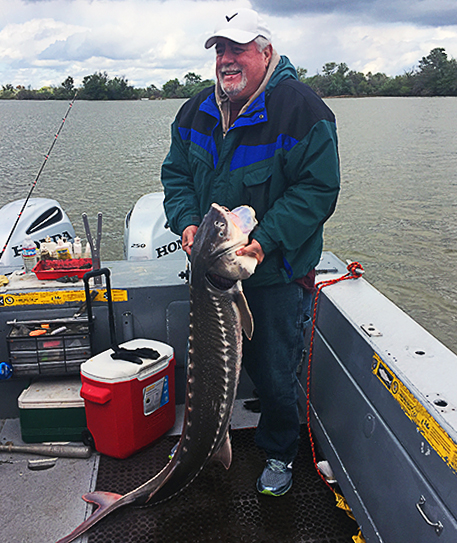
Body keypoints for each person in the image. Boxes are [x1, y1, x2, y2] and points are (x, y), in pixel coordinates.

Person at [161, 8, 340, 496]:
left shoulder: (303, 110)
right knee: (210, 366)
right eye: (219, 50)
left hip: (275, 271)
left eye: (236, 49)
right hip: (215, 270)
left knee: (276, 371)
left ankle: (280, 452)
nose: (225, 60)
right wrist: (188, 222)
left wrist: (264, 242)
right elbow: (175, 176)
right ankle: (211, 445)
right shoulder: (196, 109)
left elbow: (317, 190)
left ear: (265, 52)